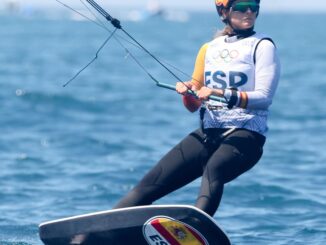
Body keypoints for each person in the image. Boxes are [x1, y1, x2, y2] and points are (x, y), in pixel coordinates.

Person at [114, 0, 280, 217]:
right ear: (224, 12)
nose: (249, 12)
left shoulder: (263, 45)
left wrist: (220, 93)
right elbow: (194, 106)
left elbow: (264, 98)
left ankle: (195, 232)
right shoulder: (209, 49)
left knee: (214, 169)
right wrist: (187, 93)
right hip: (208, 133)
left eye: (254, 6)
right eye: (241, 6)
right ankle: (88, 235)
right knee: (148, 185)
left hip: (247, 135)